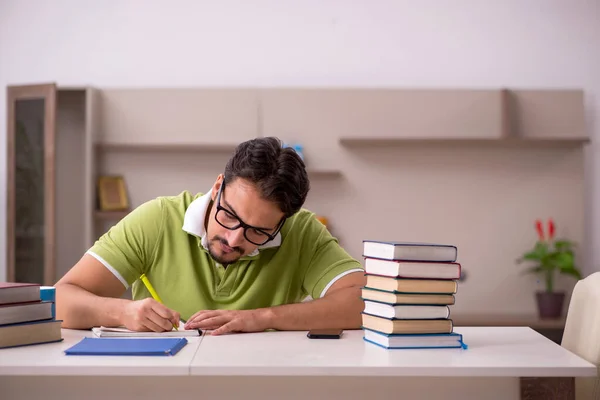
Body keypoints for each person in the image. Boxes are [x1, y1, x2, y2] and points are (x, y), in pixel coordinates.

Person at [55, 137, 366, 335]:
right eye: (229, 215)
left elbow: (366, 302)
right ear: (218, 187)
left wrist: (262, 317)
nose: (233, 239)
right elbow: (60, 299)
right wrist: (122, 312)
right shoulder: (157, 219)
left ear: (283, 222)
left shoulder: (302, 231)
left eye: (258, 232)